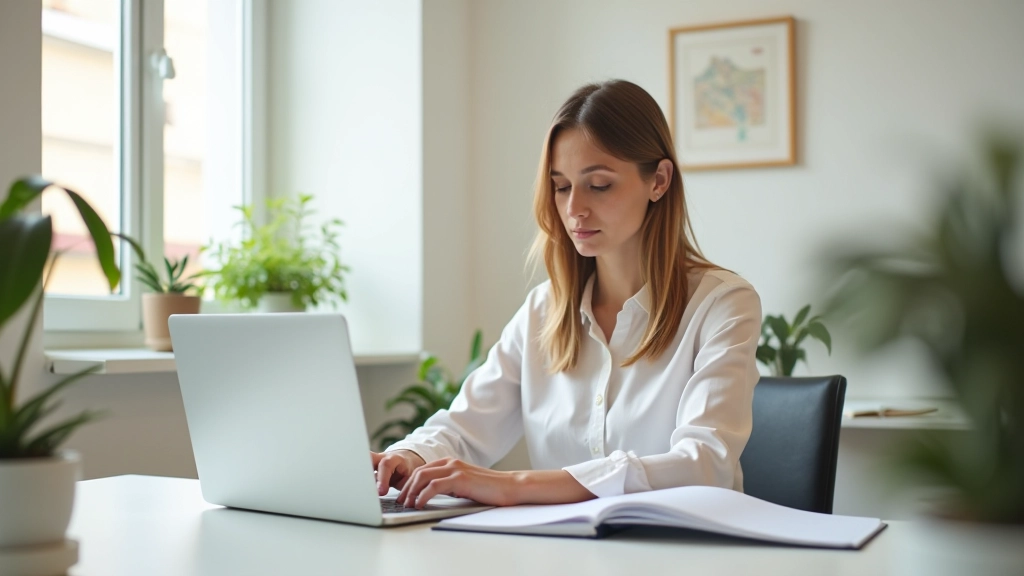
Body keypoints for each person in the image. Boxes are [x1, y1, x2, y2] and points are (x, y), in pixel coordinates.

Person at [372, 79, 762, 509]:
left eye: (598, 185)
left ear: (659, 181)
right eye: (561, 186)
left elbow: (702, 464)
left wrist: (515, 485)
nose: (574, 208)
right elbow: (464, 428)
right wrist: (407, 457)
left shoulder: (723, 305)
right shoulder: (544, 309)